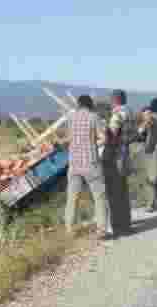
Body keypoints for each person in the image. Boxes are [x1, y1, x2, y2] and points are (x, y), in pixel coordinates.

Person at [62, 95, 111, 241]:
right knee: (99, 196)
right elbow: (104, 138)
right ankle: (101, 230)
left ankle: (69, 229)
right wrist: (95, 143)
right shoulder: (94, 117)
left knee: (72, 197)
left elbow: (69, 138)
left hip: (74, 163)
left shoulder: (70, 117)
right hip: (91, 163)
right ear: (90, 105)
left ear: (78, 105)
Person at [103, 89, 133, 235]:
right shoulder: (129, 112)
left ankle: (116, 226)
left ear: (115, 100)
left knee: (114, 192)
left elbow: (111, 135)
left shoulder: (117, 115)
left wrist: (104, 131)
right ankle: (126, 225)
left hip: (115, 156)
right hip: (125, 153)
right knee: (123, 190)